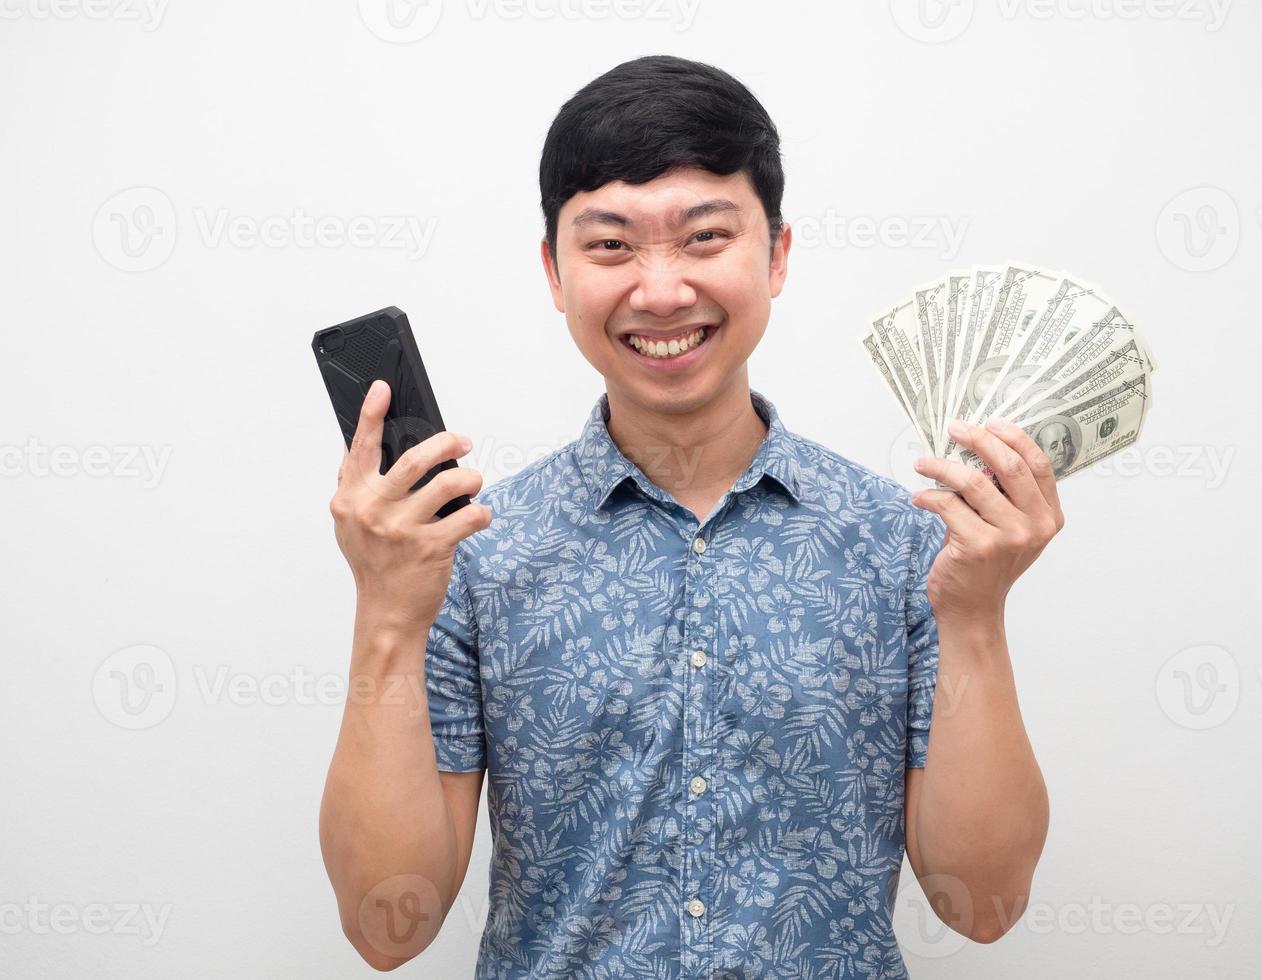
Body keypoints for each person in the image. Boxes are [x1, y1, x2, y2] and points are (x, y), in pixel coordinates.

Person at [319, 54, 1064, 978]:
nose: (661, 290)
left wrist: (976, 614)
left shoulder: (904, 542)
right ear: (554, 272)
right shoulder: (469, 553)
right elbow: (386, 929)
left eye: (704, 237)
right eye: (610, 246)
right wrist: (386, 614)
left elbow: (981, 906)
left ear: (777, 253)